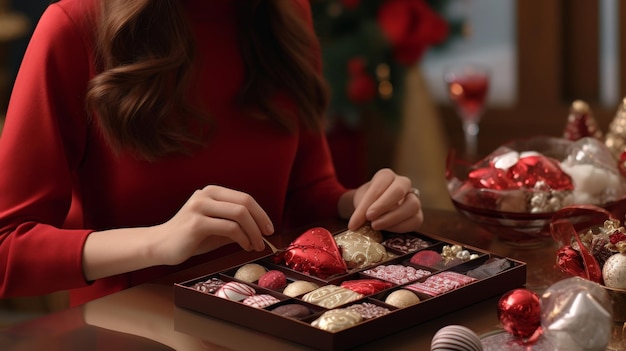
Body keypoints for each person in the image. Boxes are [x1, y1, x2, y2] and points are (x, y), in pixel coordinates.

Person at [0, 0, 423, 306]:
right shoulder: (75, 26)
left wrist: (361, 204)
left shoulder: (286, 13)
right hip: (131, 330)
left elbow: (305, 191)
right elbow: (7, 248)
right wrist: (158, 242)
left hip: (280, 319)